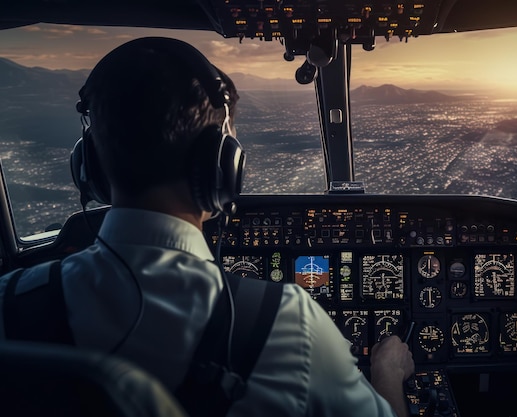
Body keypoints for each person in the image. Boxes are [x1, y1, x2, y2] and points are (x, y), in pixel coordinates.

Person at [0, 37, 414, 417]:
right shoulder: (289, 324)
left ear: (88, 167)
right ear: (222, 167)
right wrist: (388, 373)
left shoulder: (12, 302)